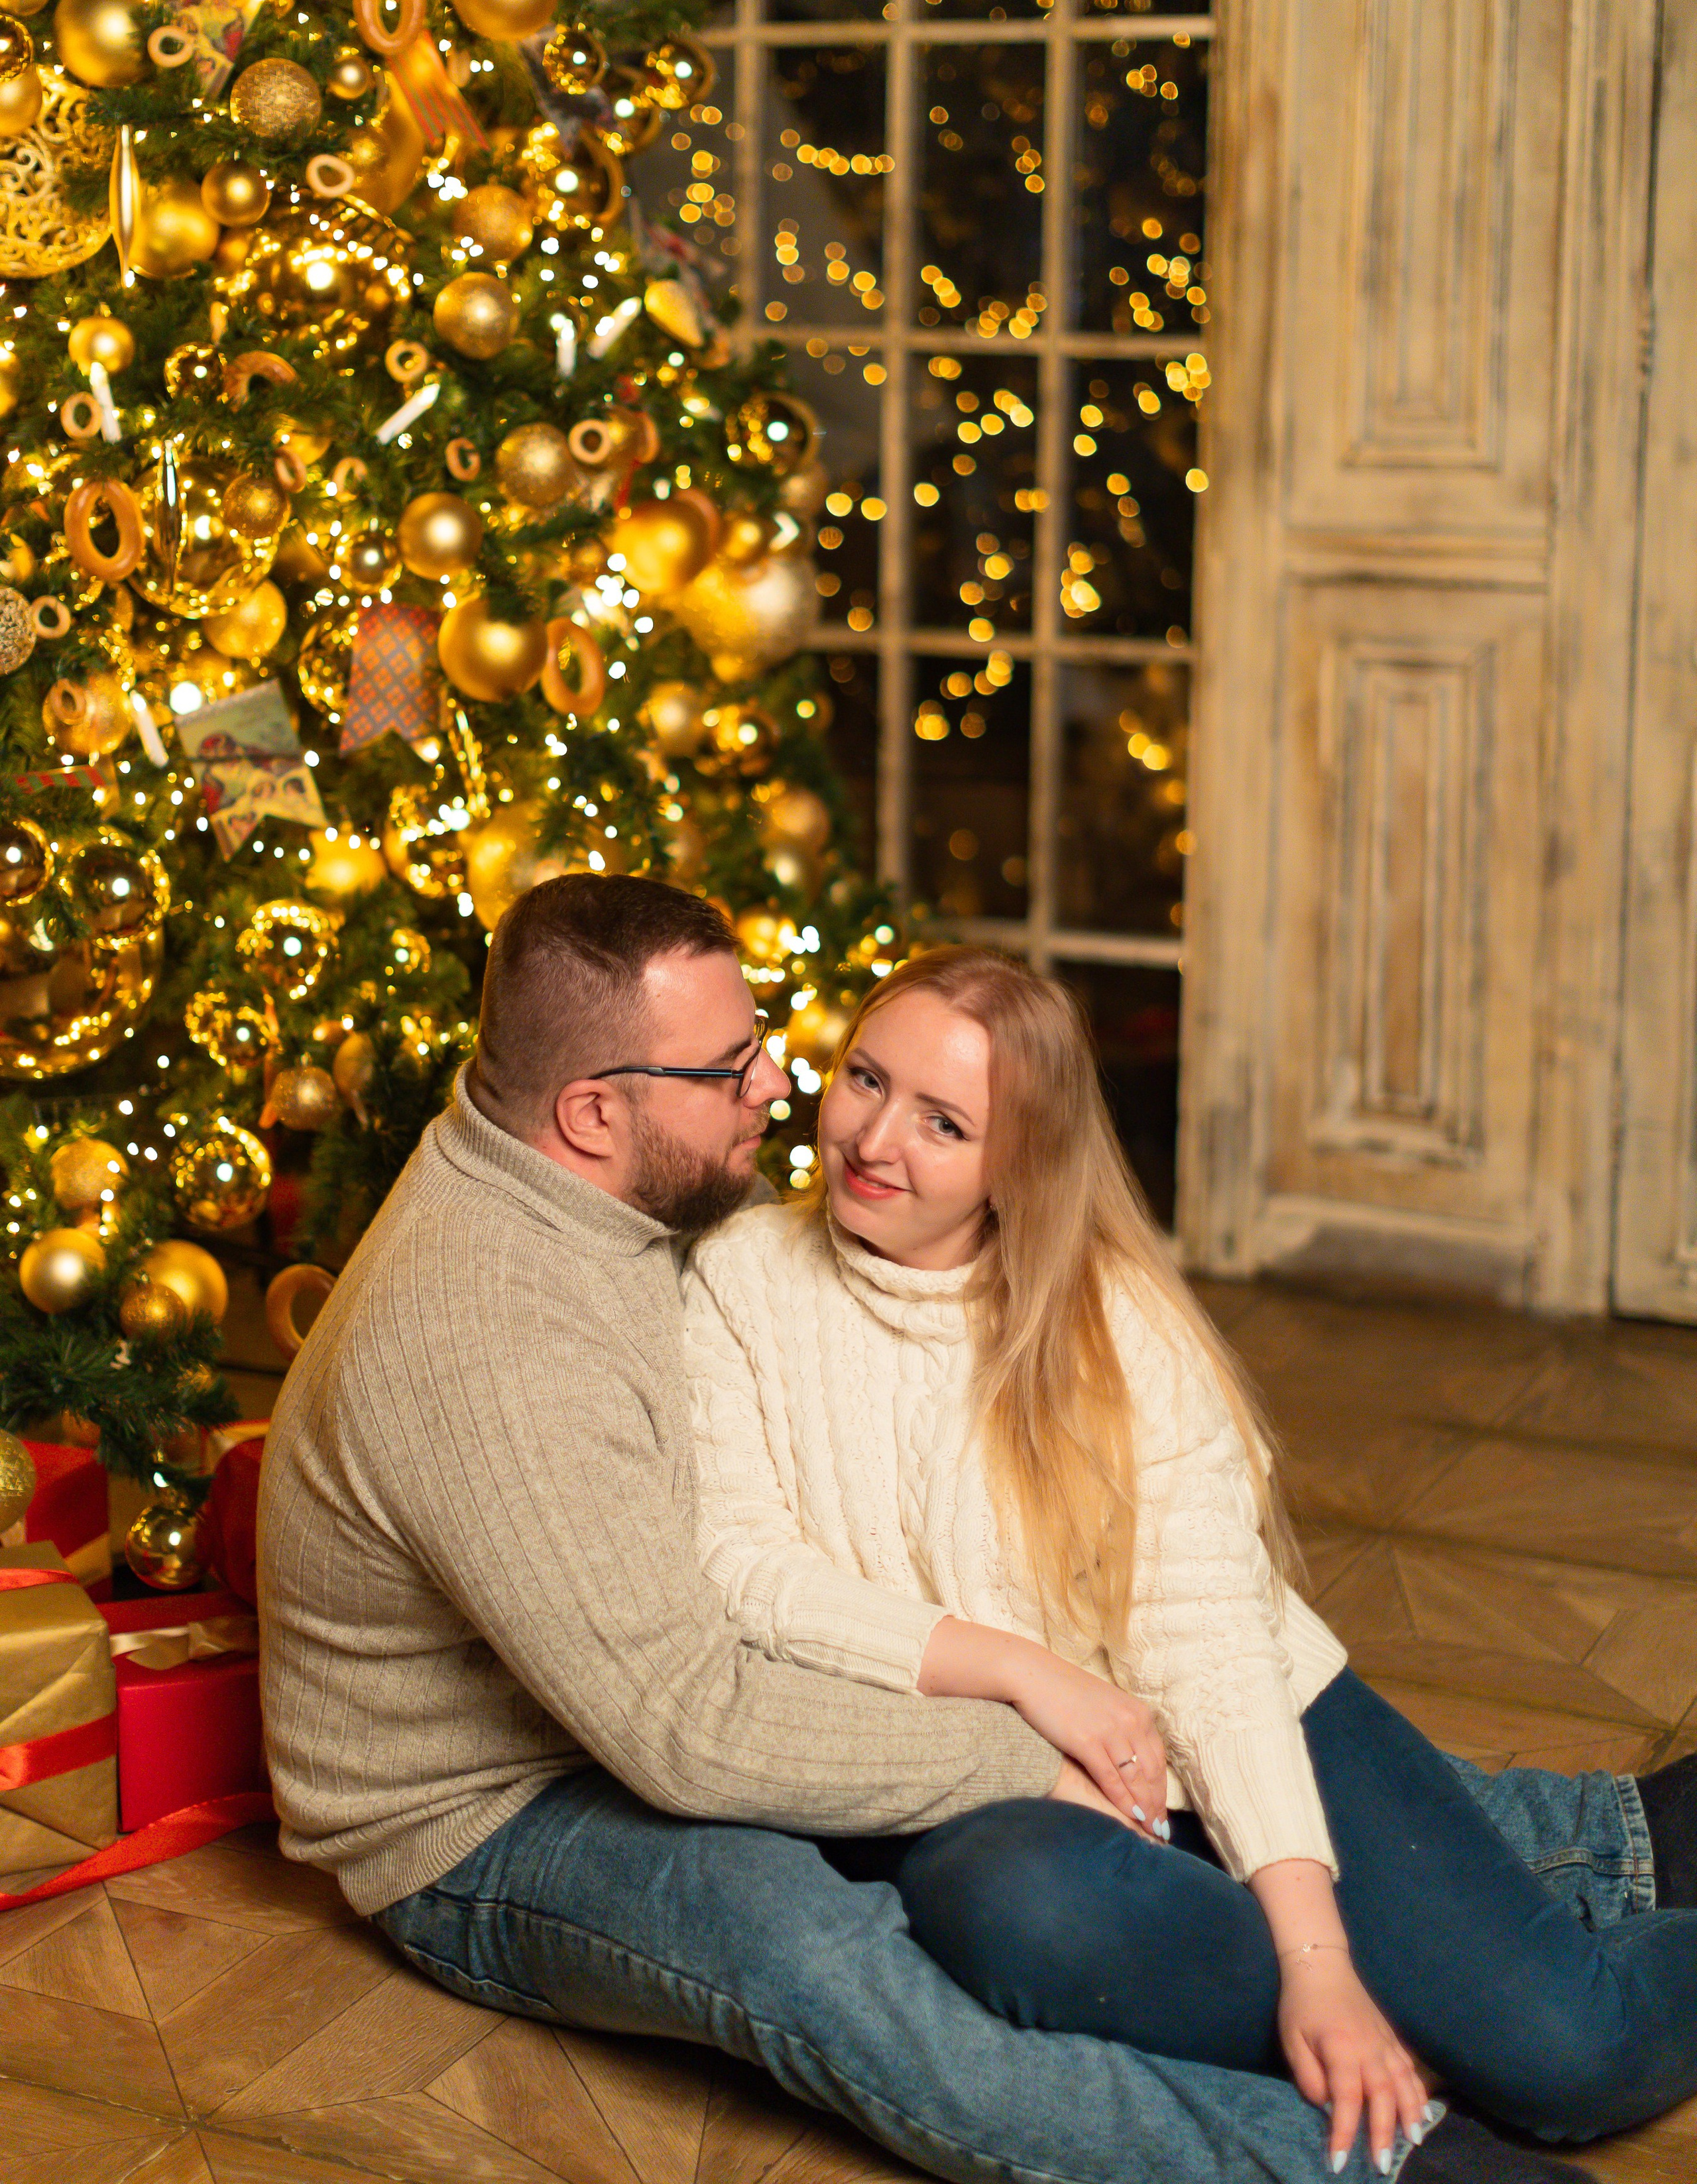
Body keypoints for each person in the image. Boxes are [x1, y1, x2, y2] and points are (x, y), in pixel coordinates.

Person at [259, 876, 1642, 2184]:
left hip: (640, 1695)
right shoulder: (502, 1343)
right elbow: (686, 1718)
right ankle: (1385, 2154)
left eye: (775, 1047)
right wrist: (1023, 1742)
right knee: (818, 1951)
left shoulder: (601, 1195)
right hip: (483, 1810)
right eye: (732, 1071)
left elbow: (1196, 1639)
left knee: (1506, 1994)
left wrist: (1288, 1904)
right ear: (588, 1116)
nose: (785, 1092)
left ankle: (1590, 1854)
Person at [684, 943, 1697, 2180]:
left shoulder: (1114, 1324)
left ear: (1018, 1164)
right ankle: (1408, 2063)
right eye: (866, 1080)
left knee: (1568, 2054)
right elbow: (740, 1567)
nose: (874, 1137)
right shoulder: (739, 1276)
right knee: (1011, 1900)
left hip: (1241, 1709)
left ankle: (1445, 2001)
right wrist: (1019, 1671)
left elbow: (1209, 1648)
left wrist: (1318, 1958)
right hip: (997, 1784)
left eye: (943, 1122)